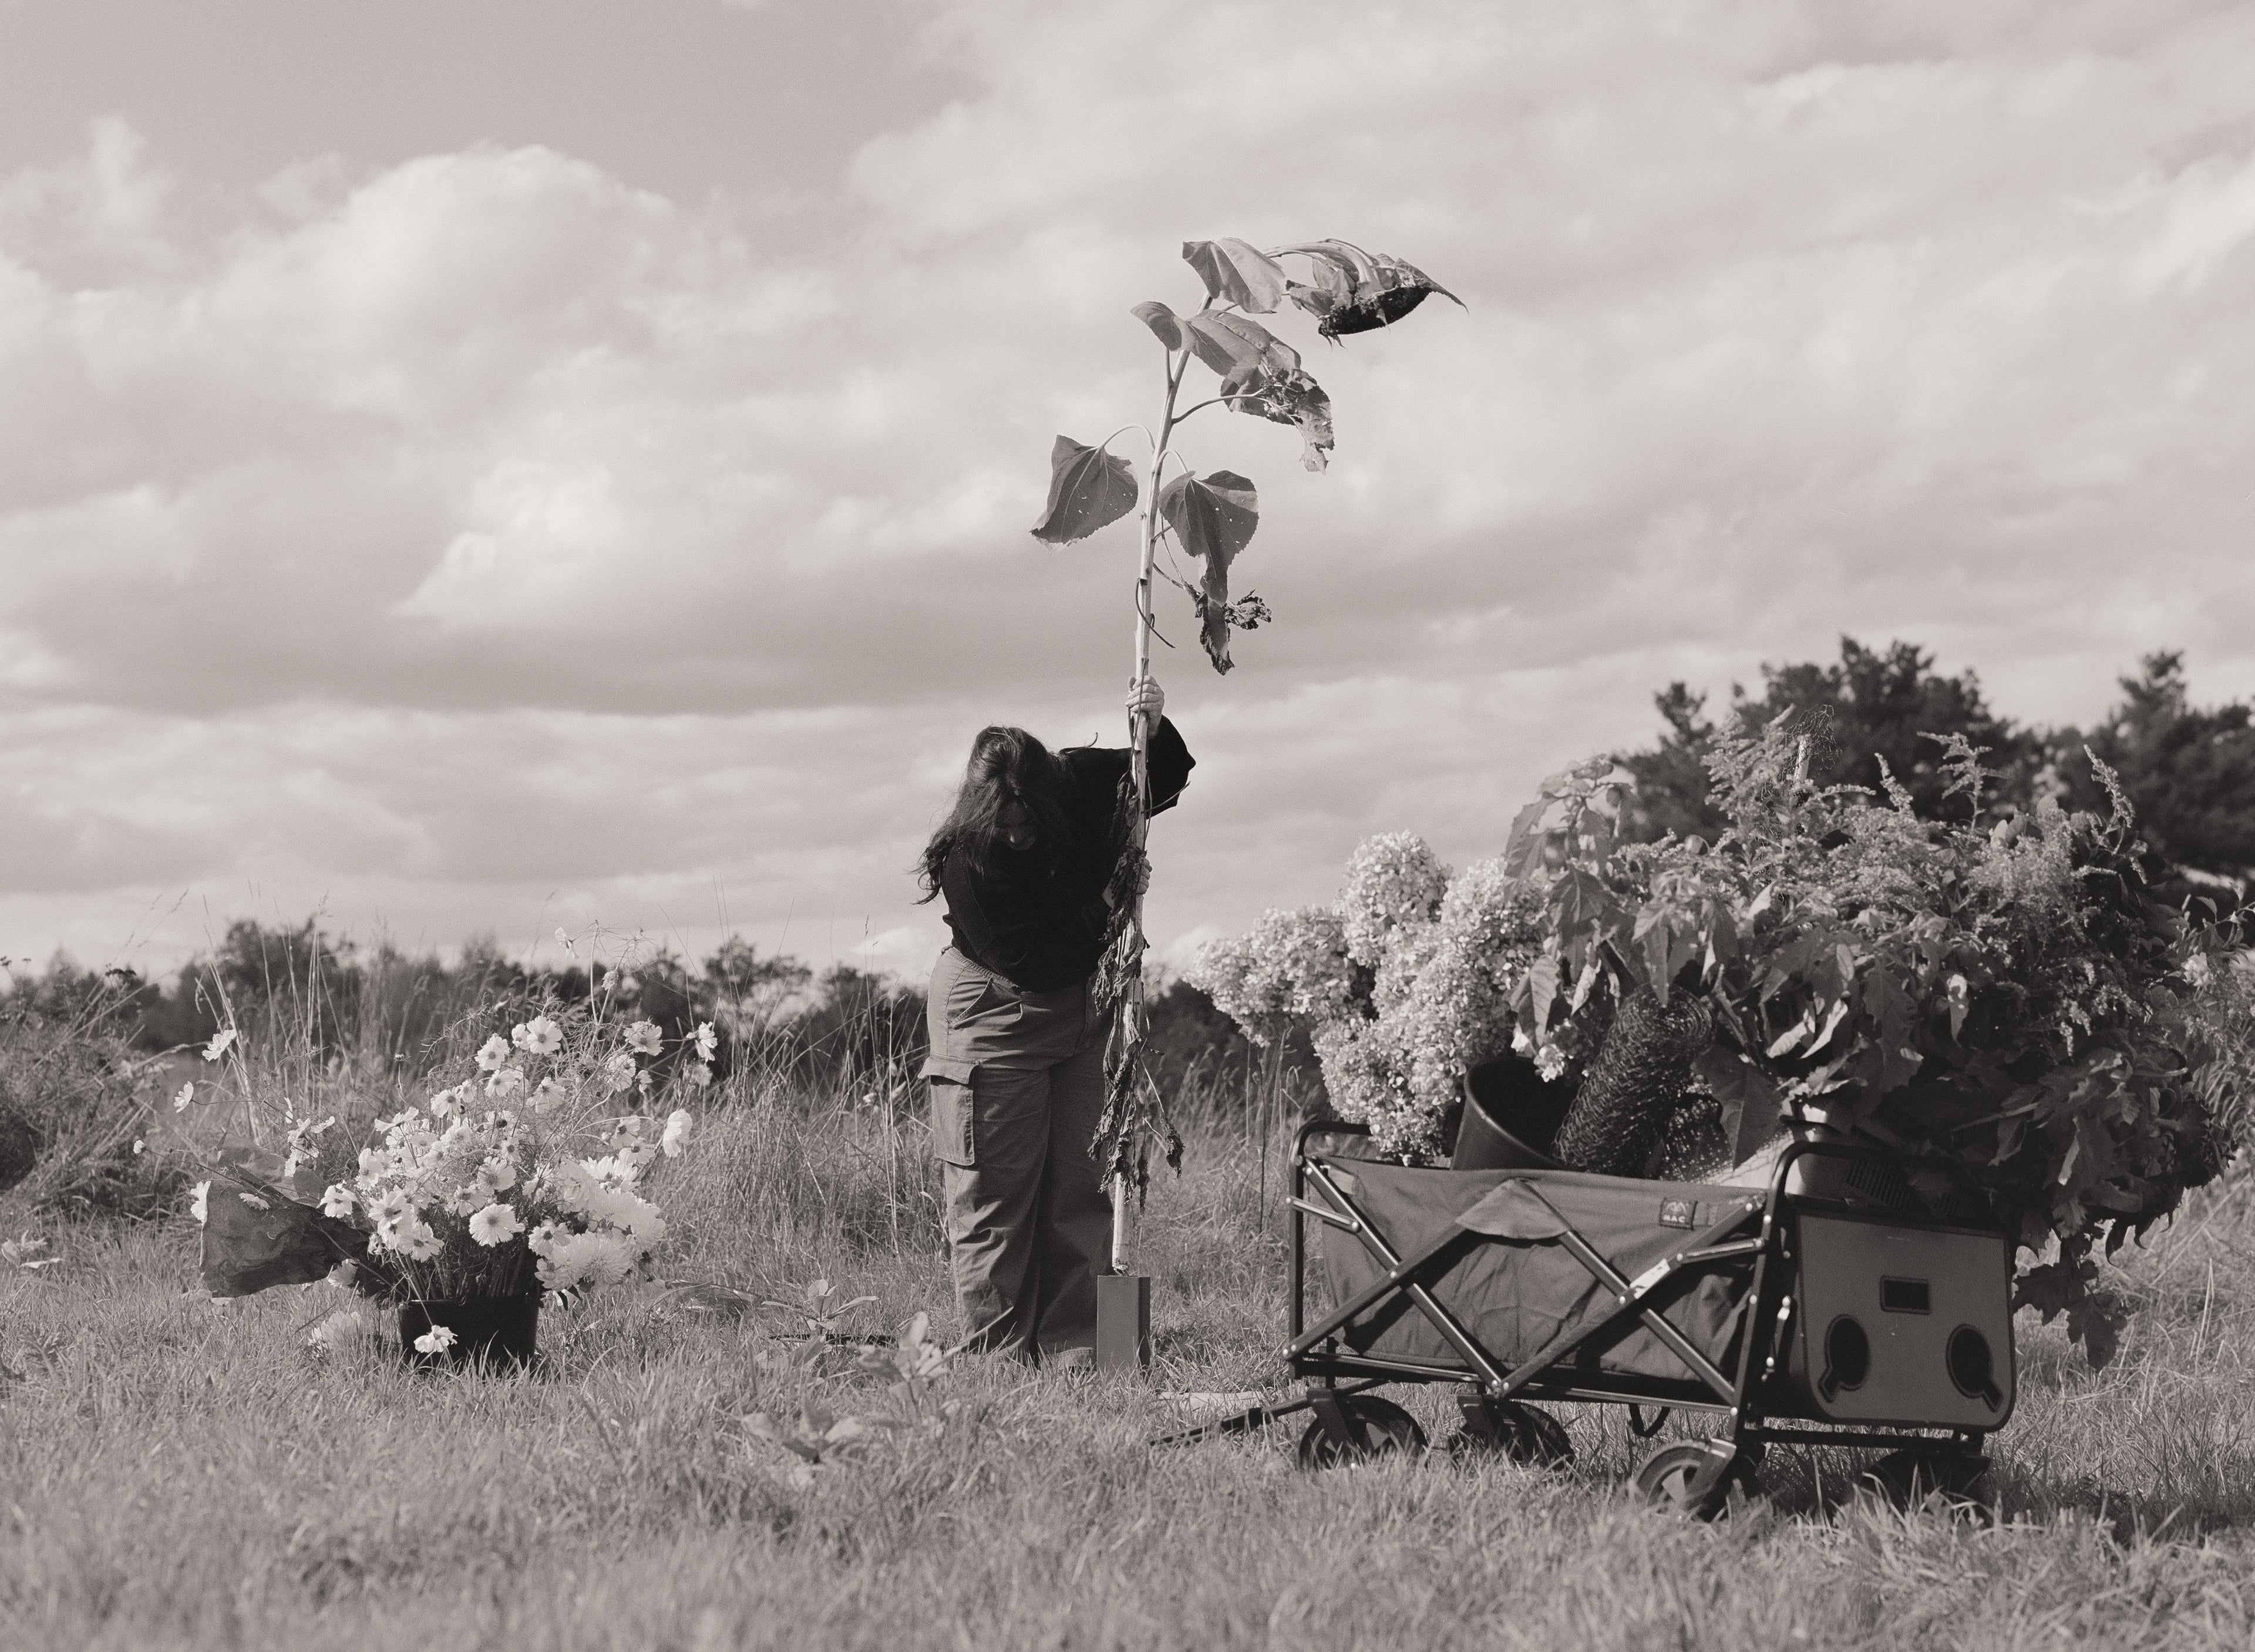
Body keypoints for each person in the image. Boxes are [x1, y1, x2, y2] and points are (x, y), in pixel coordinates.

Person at [915, 677, 1193, 1365]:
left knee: (1083, 1182)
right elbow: (1036, 960)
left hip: (1085, 1006)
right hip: (993, 1010)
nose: (1015, 833)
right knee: (994, 1198)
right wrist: (1114, 888)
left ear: (1051, 796)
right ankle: (998, 1362)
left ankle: (1077, 1357)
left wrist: (1151, 731)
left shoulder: (1079, 781)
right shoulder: (968, 861)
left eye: (1029, 821)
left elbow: (1159, 782)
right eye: (1003, 823)